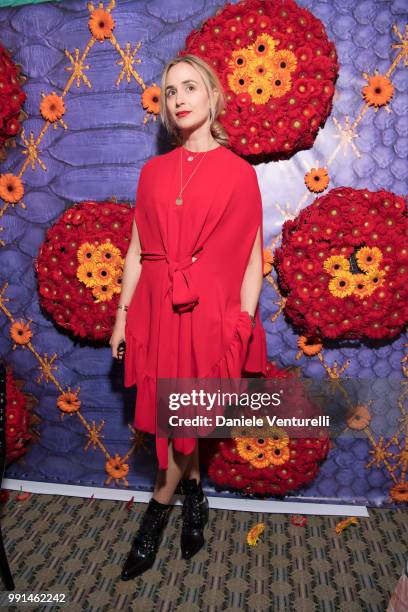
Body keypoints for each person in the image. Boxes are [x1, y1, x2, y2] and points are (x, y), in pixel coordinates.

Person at [109, 53, 267, 580]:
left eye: (189, 87)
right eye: (170, 90)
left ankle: (155, 517)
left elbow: (251, 261)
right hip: (155, 311)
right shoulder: (153, 171)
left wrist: (242, 326)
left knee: (183, 417)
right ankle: (195, 496)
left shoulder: (240, 174)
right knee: (175, 416)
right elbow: (135, 251)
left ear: (213, 96)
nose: (178, 98)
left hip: (205, 317)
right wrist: (122, 316)